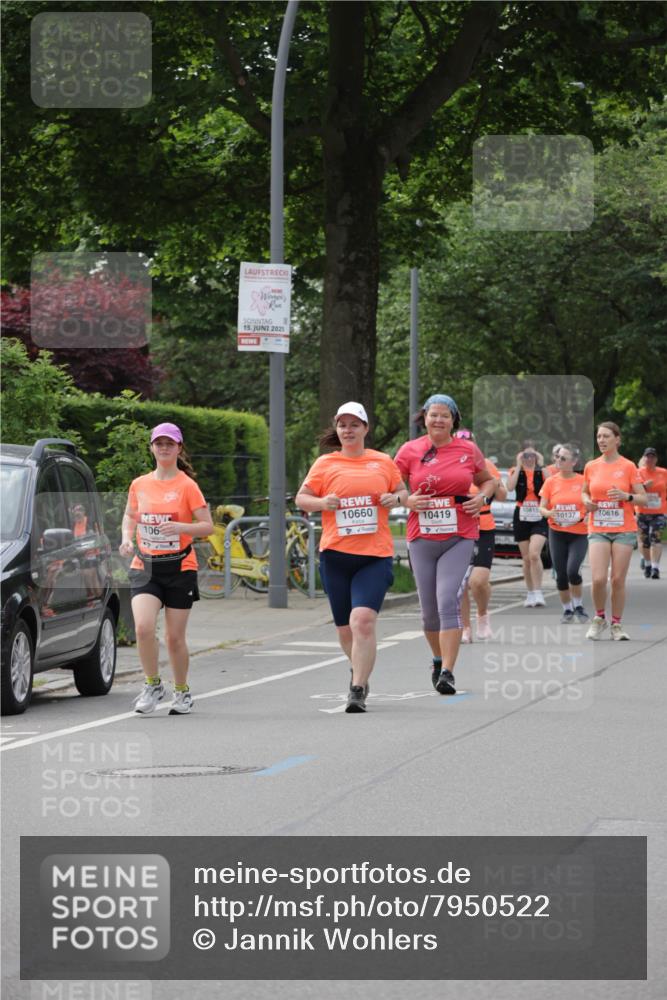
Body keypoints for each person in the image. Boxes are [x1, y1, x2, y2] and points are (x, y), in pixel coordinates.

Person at [295, 402, 407, 713]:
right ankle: (359, 668)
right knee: (345, 629)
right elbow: (302, 498)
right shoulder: (325, 464)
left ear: (365, 429)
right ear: (337, 429)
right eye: (343, 425)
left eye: (354, 424)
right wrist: (322, 502)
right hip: (335, 556)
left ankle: (357, 688)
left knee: (363, 621)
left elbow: (404, 493)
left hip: (374, 555)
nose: (348, 430)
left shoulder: (382, 462)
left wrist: (394, 498)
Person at [394, 395, 494, 694]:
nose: (439, 420)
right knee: (429, 612)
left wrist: (483, 497)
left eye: (445, 416)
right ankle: (437, 660)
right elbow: (392, 486)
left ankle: (448, 672)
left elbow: (488, 481)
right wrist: (407, 499)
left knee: (447, 599)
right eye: (433, 415)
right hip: (421, 536)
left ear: (454, 421)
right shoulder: (410, 451)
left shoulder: (468, 449)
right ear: (424, 418)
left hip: (459, 534)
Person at [119, 423, 213, 714]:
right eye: (158, 443)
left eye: (169, 444)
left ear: (178, 448)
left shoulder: (187, 486)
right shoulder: (140, 484)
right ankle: (152, 684)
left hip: (179, 567)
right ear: (151, 448)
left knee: (174, 638)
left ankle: (182, 691)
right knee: (144, 628)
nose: (163, 448)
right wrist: (125, 539)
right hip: (145, 565)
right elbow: (130, 515)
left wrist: (180, 527)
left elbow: (207, 526)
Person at [581, 421, 648, 640]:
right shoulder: (591, 466)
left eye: (606, 436)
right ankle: (599, 618)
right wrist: (587, 502)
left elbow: (644, 499)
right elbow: (584, 492)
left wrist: (626, 496)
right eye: (599, 436)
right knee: (599, 578)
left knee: (618, 579)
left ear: (617, 439)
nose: (601, 440)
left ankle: (617, 624)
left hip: (623, 529)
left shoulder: (628, 466)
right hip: (598, 527)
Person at [456, 429, 507, 642]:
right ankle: (465, 628)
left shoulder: (486, 465)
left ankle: (483, 615)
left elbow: (502, 496)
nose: (466, 445)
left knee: (477, 581)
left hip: (484, 527)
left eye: (469, 442)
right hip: (458, 528)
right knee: (460, 583)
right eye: (461, 442)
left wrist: (494, 484)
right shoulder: (450, 465)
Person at [538, 444, 589, 623]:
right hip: (557, 532)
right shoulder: (551, 481)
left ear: (574, 462)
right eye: (558, 457)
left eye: (563, 458)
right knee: (561, 574)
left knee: (572, 571)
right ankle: (567, 609)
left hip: (578, 533)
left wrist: (588, 514)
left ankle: (579, 605)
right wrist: (549, 513)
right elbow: (542, 507)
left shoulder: (583, 481)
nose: (558, 461)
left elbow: (590, 502)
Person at [506, 444, 549, 607]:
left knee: (534, 554)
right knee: (526, 558)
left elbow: (551, 481)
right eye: (526, 455)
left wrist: (542, 463)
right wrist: (518, 465)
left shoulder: (541, 470)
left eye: (532, 455)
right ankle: (530, 592)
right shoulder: (515, 470)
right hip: (521, 513)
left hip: (538, 513)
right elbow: (509, 487)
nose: (529, 459)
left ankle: (538, 592)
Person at [636, 447, 667, 579]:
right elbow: (632, 490)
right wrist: (643, 487)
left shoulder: (664, 472)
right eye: (647, 457)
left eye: (652, 457)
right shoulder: (638, 473)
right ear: (644, 458)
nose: (650, 459)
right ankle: (647, 564)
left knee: (655, 537)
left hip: (659, 511)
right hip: (642, 511)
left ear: (656, 459)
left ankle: (655, 568)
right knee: (645, 541)